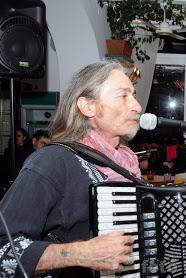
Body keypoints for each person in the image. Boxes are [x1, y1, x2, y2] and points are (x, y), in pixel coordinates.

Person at [0, 61, 142, 277]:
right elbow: (3, 250)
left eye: (133, 95)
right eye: (124, 96)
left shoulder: (127, 162)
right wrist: (80, 254)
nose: (137, 106)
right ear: (88, 106)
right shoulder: (51, 162)